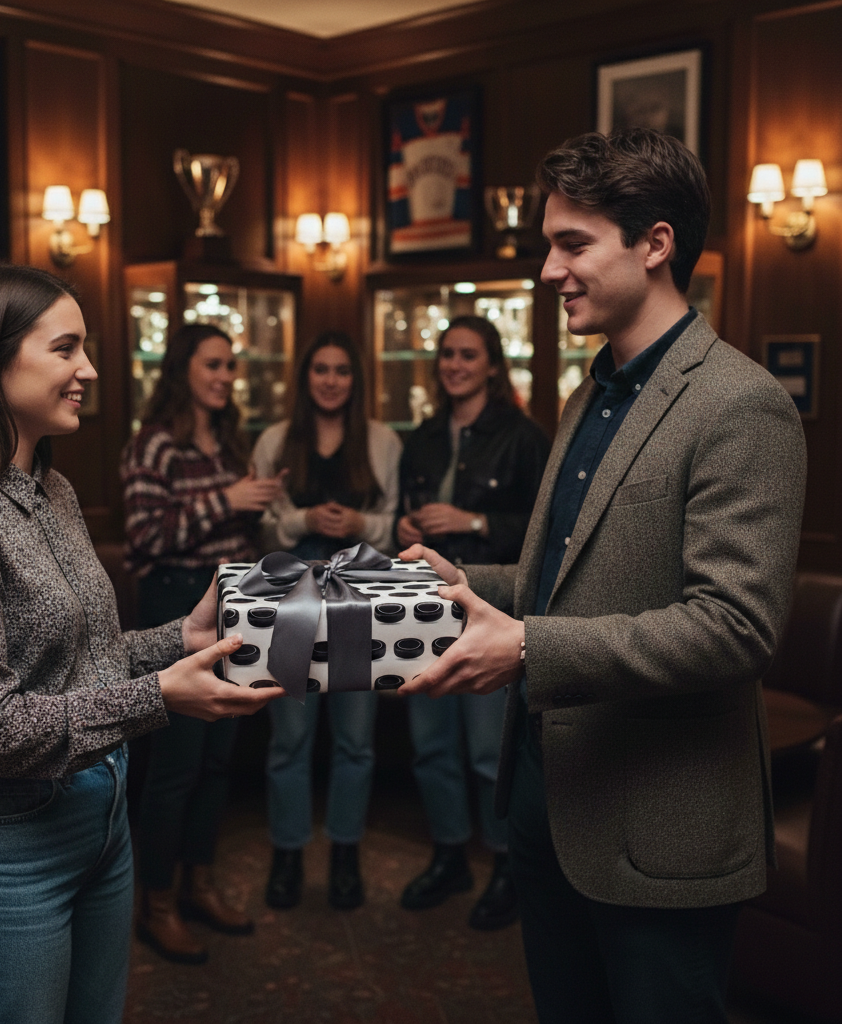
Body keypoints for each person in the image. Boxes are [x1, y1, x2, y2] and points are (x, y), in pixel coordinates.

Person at [399, 128, 807, 1024]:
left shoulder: (740, 404)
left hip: (660, 823)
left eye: (571, 243)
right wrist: (462, 581)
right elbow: (567, 576)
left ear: (655, 244)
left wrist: (526, 648)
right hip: (549, 801)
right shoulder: (590, 392)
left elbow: (735, 626)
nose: (549, 271)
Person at [0, 262, 280, 1024]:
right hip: (6, 847)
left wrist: (180, 638)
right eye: (65, 349)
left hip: (100, 823)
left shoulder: (53, 491)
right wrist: (160, 695)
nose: (89, 370)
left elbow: (81, 662)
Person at [121, 323, 284, 963]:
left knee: (220, 758)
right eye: (213, 365)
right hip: (176, 603)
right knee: (176, 766)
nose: (225, 377)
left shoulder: (228, 443)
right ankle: (155, 902)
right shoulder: (152, 446)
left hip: (237, 600)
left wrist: (257, 504)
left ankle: (199, 882)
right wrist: (227, 499)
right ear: (182, 368)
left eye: (230, 367)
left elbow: (229, 529)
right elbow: (145, 535)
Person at [395, 315, 549, 929]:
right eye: (447, 354)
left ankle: (507, 863)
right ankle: (449, 853)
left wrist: (474, 523)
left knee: (490, 752)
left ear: (491, 364)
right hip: (420, 609)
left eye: (468, 355)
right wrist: (405, 529)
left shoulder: (524, 436)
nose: (455, 365)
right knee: (431, 747)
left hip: (487, 612)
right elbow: (407, 517)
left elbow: (544, 538)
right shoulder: (424, 436)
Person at [250, 331, 403, 910]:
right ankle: (287, 853)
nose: (332, 380)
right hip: (291, 600)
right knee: (289, 739)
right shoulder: (275, 439)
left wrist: (360, 526)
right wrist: (303, 519)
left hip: (358, 602)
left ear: (354, 380)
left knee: (356, 740)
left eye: (342, 370)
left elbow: (396, 525)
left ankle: (345, 853)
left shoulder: (384, 440)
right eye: (321, 370)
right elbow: (263, 529)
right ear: (306, 377)